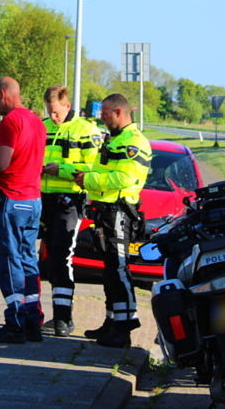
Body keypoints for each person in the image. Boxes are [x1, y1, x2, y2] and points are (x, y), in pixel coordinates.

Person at [73, 93, 152, 348]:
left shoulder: (134, 142)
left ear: (119, 112)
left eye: (105, 114)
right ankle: (112, 322)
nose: (102, 118)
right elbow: (100, 170)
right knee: (109, 270)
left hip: (119, 211)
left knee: (118, 268)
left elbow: (125, 179)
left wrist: (89, 181)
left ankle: (125, 327)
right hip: (105, 211)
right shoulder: (113, 138)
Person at [0, 77, 47, 344]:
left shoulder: (10, 121)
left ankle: (14, 321)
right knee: (28, 260)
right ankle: (32, 321)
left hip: (12, 199)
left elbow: (1, 164)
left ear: (3, 94)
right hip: (33, 199)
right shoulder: (37, 121)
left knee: (9, 260)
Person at [38, 86, 103, 337]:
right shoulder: (43, 127)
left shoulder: (86, 130)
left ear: (67, 105)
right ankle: (47, 314)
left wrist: (62, 169)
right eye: (49, 112)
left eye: (56, 112)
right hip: (43, 199)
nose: (53, 117)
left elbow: (93, 166)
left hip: (69, 200)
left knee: (61, 256)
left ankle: (63, 318)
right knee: (45, 259)